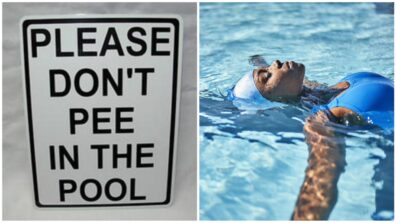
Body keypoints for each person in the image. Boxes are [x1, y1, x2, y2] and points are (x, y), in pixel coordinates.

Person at [228, 59, 394, 220]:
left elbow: (269, 69)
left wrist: (258, 61)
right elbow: (321, 176)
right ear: (273, 102)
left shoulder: (315, 90)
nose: (275, 64)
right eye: (267, 76)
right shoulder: (320, 121)